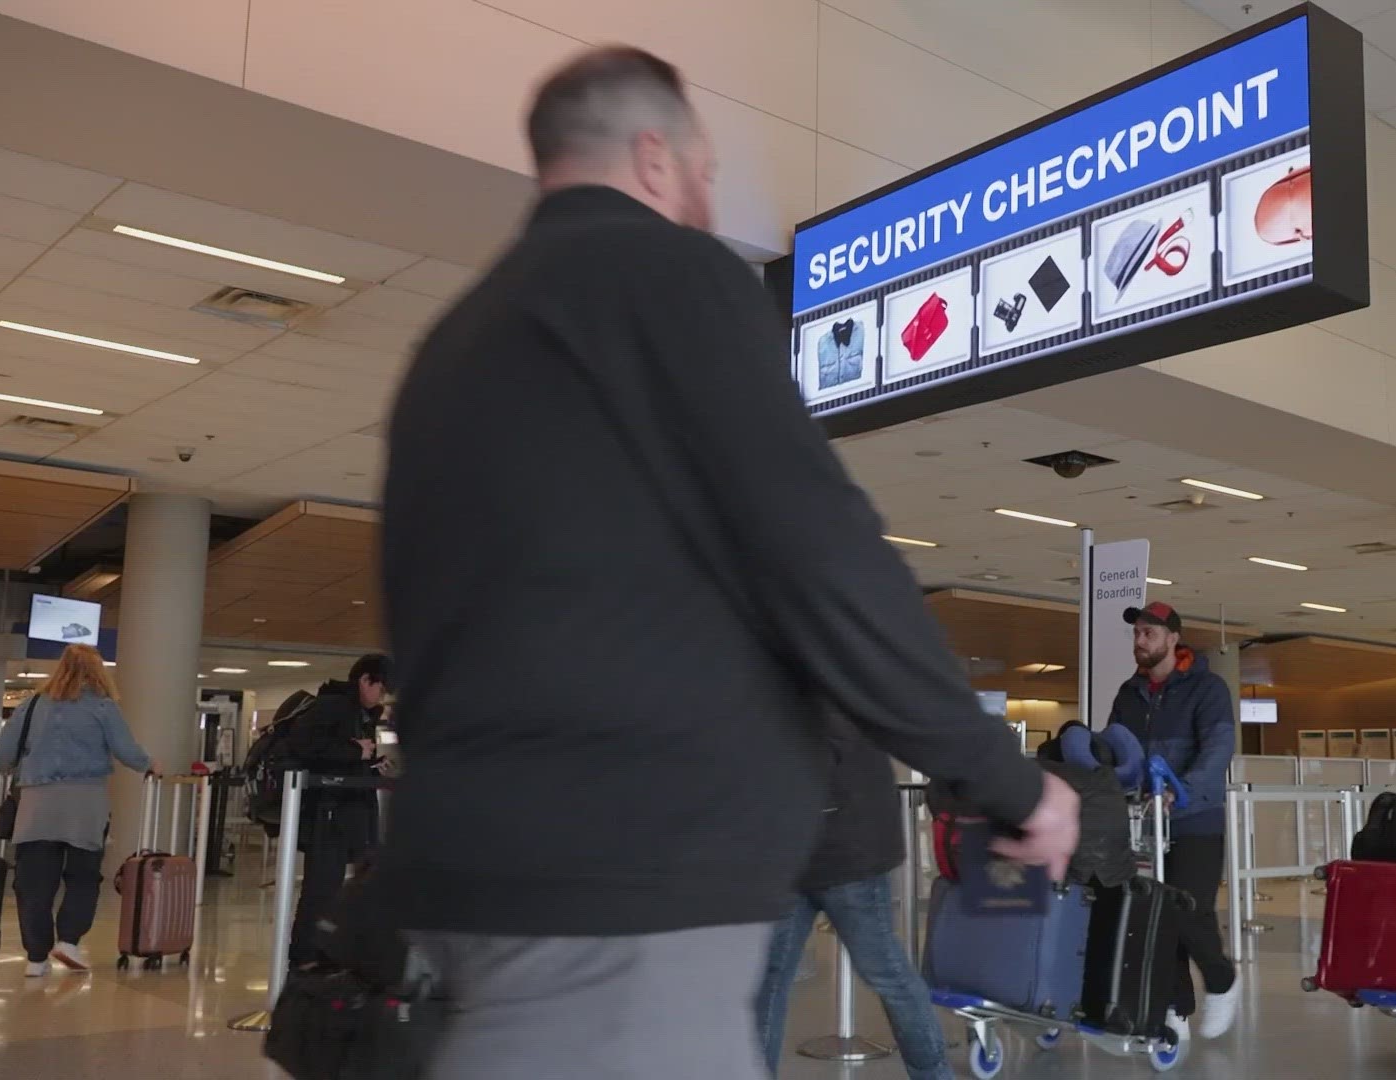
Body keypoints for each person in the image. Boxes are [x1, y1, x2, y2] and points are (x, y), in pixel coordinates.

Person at [377, 45, 1077, 1080]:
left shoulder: (453, 343)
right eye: (706, 171)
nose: (706, 196)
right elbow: (819, 548)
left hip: (468, 877)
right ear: (656, 157)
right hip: (629, 883)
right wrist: (1008, 781)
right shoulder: (667, 273)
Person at [754, 715, 949, 1080]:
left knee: (887, 974)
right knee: (773, 976)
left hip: (847, 857)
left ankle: (936, 1075)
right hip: (798, 857)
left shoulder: (825, 686)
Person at [1103, 601, 1239, 1041]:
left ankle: (1222, 980)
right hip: (1144, 821)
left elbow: (1216, 750)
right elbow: (1116, 752)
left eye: (1150, 633)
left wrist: (1178, 794)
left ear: (1173, 637)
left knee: (1187, 910)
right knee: (1153, 915)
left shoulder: (1207, 688)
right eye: (1138, 633)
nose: (1141, 641)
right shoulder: (1129, 693)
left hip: (1195, 818)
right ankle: (1174, 1008)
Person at [0, 644, 156, 978]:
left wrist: (5, 764)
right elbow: (126, 750)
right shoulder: (103, 707)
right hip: (86, 803)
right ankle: (68, 942)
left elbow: (3, 755)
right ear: (98, 671)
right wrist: (151, 764)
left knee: (34, 881)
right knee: (83, 877)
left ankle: (36, 959)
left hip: (37, 803)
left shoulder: (32, 705)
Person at [286, 653, 391, 968]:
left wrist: (373, 766)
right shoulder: (333, 706)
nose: (382, 696)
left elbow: (349, 758)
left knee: (361, 883)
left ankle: (341, 950)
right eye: (381, 688)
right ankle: (305, 954)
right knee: (322, 886)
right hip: (330, 811)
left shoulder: (363, 713)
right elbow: (304, 746)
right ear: (364, 680)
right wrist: (354, 750)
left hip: (354, 807)